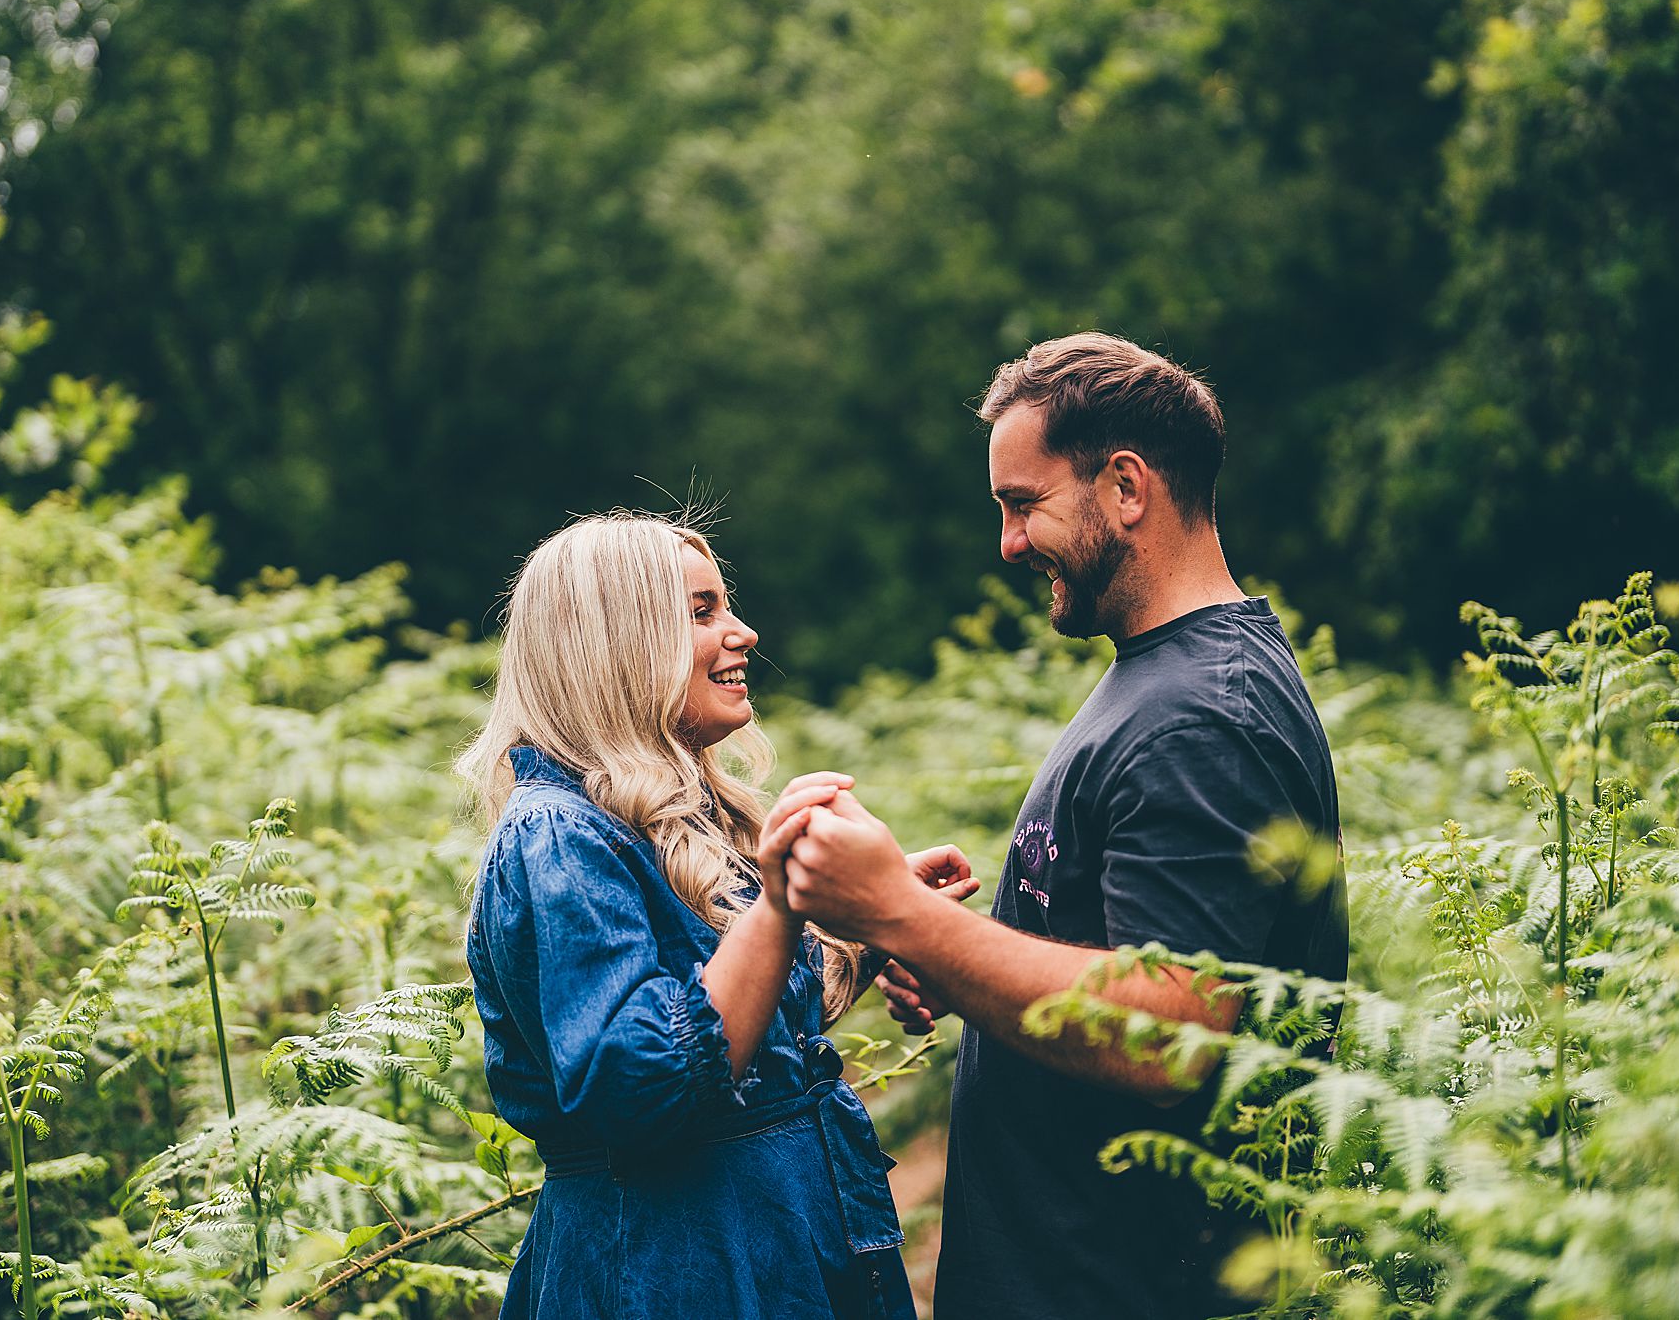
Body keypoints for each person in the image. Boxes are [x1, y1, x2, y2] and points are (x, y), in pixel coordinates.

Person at [767, 333, 1349, 1319]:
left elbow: (1171, 1032)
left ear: (1125, 488)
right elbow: (1125, 961)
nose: (1006, 543)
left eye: (1021, 503)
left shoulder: (1197, 713)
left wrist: (905, 917)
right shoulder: (1167, 680)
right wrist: (957, 963)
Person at [456, 511, 979, 1320]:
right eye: (702, 612)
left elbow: (751, 1035)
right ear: (615, 644)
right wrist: (778, 898)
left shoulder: (669, 818)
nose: (743, 632)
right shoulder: (558, 835)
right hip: (672, 1272)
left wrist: (869, 925)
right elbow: (645, 1086)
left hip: (770, 1252)